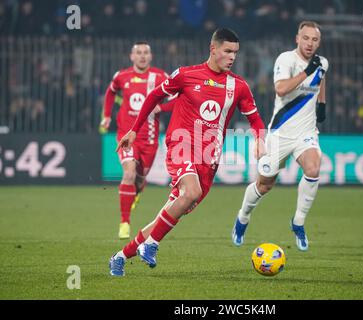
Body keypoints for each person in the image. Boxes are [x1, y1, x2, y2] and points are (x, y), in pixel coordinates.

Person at [108, 28, 266, 276]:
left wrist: (260, 139)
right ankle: (152, 244)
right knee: (191, 192)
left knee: (169, 213)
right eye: (227, 51)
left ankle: (119, 256)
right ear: (213, 49)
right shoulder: (186, 75)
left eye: (235, 52)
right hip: (181, 146)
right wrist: (134, 130)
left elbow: (255, 119)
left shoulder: (239, 86)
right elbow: (154, 97)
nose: (232, 57)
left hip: (208, 158)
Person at [231, 21, 329, 251]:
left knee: (314, 168)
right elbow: (281, 89)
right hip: (280, 133)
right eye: (306, 38)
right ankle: (243, 217)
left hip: (305, 133)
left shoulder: (322, 63)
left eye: (314, 40)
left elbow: (321, 78)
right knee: (264, 184)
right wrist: (307, 71)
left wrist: (322, 105)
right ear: (297, 38)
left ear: (319, 42)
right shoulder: (286, 60)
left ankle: (298, 222)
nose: (310, 43)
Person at [100, 41, 176, 239]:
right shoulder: (121, 76)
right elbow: (110, 92)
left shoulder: (161, 77)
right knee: (129, 173)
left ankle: (138, 190)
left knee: (140, 178)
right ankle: (124, 222)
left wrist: (163, 108)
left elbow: (179, 98)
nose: (142, 56)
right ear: (131, 56)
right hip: (126, 135)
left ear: (150, 57)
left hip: (149, 139)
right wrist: (107, 116)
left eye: (146, 53)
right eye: (138, 53)